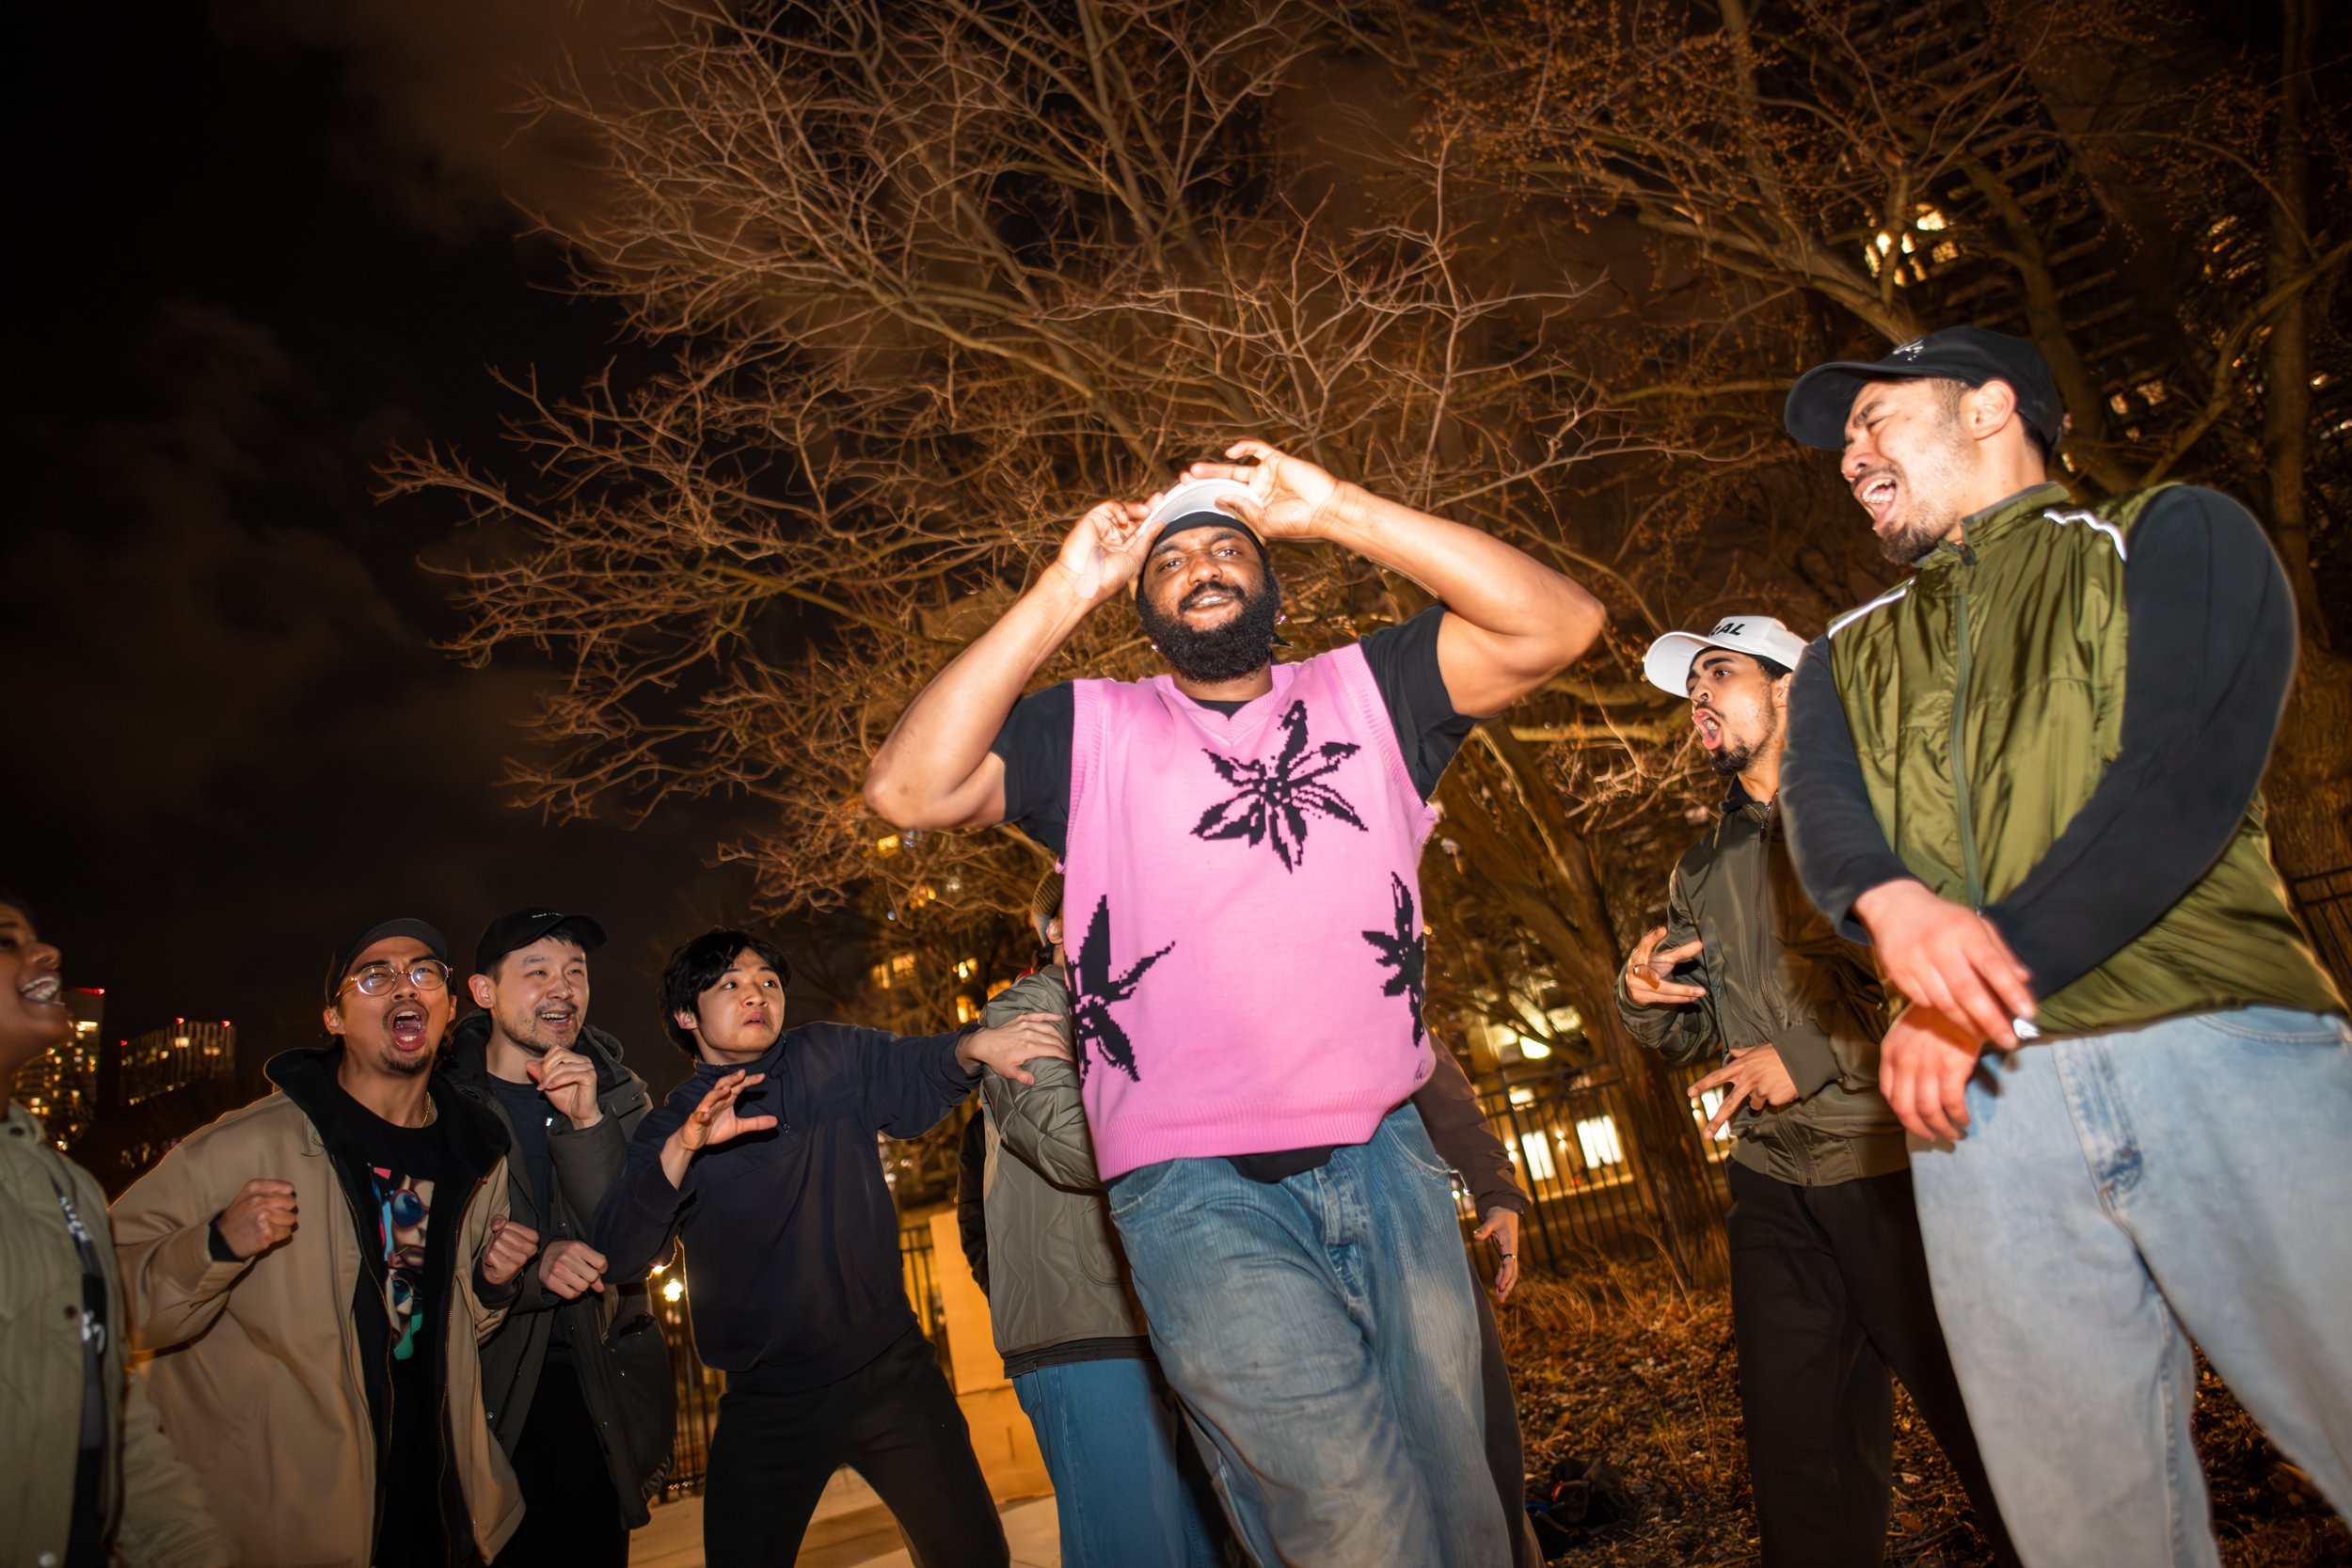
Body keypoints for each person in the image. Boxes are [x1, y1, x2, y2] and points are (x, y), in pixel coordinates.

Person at [864, 444, 1607, 1566]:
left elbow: (1558, 625)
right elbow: (906, 787)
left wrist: (1342, 508)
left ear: (1270, 577)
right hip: (1194, 1196)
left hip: (1389, 1160)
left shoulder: (1373, 689)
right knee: (1350, 1523)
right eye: (1171, 558)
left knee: (1468, 1519)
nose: (1202, 564)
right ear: (1142, 600)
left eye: (1227, 545)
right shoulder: (1091, 729)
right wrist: (1067, 586)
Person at [1777, 325, 2351, 1567]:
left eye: (1876, 417)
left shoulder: (2170, 533)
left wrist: (1973, 984)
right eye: (1843, 439)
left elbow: (2179, 785)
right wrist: (1892, 906)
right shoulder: (1840, 656)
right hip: (1981, 1117)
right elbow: (1826, 827)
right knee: (2087, 1526)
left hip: (2215, 1036)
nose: (1849, 454)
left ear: (1990, 406)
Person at [980, 871, 1543, 1568]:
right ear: (1055, 929)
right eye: (1086, 899)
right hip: (1094, 1326)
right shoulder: (1028, 1012)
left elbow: (1410, 1046)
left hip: (1208, 1282)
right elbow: (1067, 1141)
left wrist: (1491, 1177)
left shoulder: (1186, 976)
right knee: (1153, 1540)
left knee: (1433, 1478)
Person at [1617, 618, 2015, 1567]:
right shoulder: (1701, 865)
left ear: (1792, 685)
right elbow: (1697, 1031)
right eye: (1690, 686)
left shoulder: (1879, 810)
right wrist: (1640, 998)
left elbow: (1944, 978)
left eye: (1719, 672)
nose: (1698, 698)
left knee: (1991, 1426)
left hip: (1896, 1165)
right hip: (1772, 1184)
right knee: (1799, 1465)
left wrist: (1806, 1051)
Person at [592, 927, 1073, 1568]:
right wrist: (685, 1147)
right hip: (767, 1399)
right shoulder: (673, 1124)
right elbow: (620, 1252)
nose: (756, 993)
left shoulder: (829, 1054)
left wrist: (973, 1045)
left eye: (766, 980)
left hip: (891, 1372)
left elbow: (912, 1067)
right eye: (730, 984)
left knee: (975, 1553)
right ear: (687, 1014)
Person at [111, 918, 540, 1567]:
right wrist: (215, 1247)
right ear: (333, 1018)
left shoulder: (475, 1157)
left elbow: (424, 1325)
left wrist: (490, 1283)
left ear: (450, 1007)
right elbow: (102, 1297)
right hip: (292, 1532)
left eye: (425, 972)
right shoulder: (246, 1147)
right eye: (374, 976)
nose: (404, 985)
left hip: (448, 1519)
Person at [0, 895, 229, 1568]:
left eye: (40, 938)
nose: (47, 954)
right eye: (5, 940)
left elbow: (107, 1404)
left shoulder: (69, 1188)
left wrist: (188, 1546)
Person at [444, 909, 671, 1566]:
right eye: (536, 970)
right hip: (485, 1398)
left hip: (600, 1396)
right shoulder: (439, 1105)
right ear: (484, 992)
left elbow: (640, 1248)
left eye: (575, 970)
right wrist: (532, 1268)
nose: (563, 988)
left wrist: (590, 1123)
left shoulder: (622, 1093)